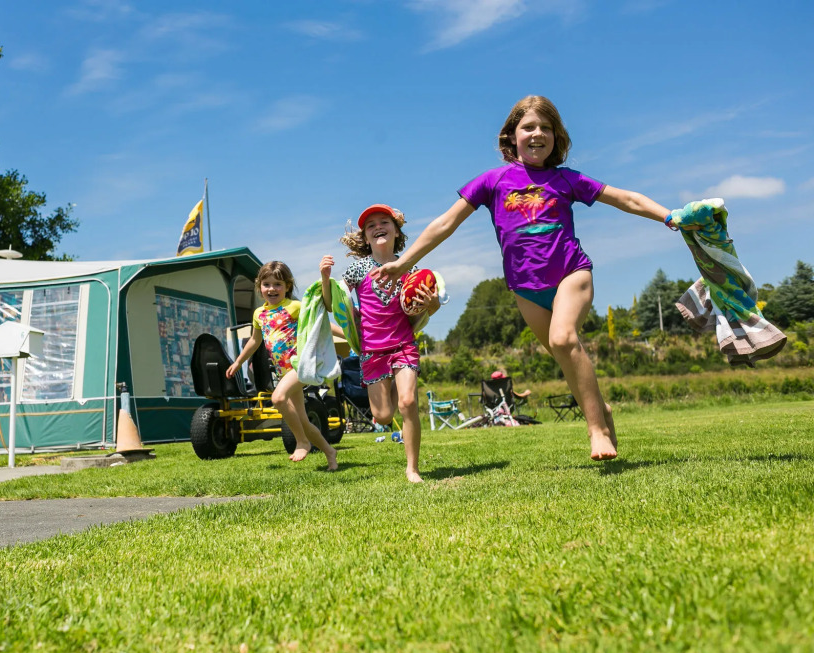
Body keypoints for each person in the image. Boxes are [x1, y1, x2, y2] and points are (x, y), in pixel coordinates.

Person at [370, 95, 700, 461]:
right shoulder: (492, 181)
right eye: (528, 127)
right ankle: (600, 409)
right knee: (565, 357)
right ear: (512, 136)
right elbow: (445, 223)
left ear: (556, 137)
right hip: (525, 291)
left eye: (546, 127)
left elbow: (626, 199)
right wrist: (404, 263)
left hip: (571, 274)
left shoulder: (566, 179)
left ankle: (597, 430)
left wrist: (669, 216)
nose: (537, 133)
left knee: (563, 338)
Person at [320, 204, 440, 483]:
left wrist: (433, 303)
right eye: (370, 225)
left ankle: (412, 469)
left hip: (403, 344)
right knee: (383, 416)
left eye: (384, 222)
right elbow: (333, 305)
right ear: (365, 237)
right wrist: (325, 279)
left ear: (397, 231)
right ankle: (396, 387)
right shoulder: (357, 269)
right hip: (372, 351)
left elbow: (426, 309)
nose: (378, 227)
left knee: (408, 403)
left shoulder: (410, 267)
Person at [227, 261, 337, 470]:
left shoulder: (294, 307)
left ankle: (302, 442)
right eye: (266, 284)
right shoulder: (259, 314)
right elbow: (254, 341)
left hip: (300, 365)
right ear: (259, 286)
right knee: (302, 420)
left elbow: (321, 323)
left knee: (278, 398)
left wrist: (350, 335)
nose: (272, 289)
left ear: (287, 286)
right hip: (283, 372)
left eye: (277, 284)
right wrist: (238, 361)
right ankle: (329, 452)